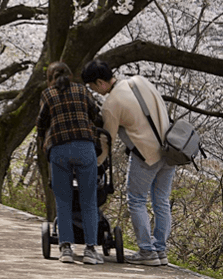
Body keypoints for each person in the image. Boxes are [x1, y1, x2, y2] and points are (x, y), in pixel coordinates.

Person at [82, 59, 174, 267]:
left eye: (92, 86)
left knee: (137, 200)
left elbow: (108, 141)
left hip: (146, 156)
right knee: (161, 201)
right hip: (170, 150)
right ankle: (160, 250)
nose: (94, 91)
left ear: (100, 82)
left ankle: (147, 251)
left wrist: (96, 163)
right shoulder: (139, 81)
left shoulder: (111, 105)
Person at [38, 61, 104, 266]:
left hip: (59, 149)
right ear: (70, 74)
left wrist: (44, 144)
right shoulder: (82, 91)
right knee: (88, 200)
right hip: (85, 148)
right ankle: (91, 250)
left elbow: (41, 124)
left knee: (63, 200)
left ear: (50, 79)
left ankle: (66, 248)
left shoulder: (48, 94)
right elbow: (96, 116)